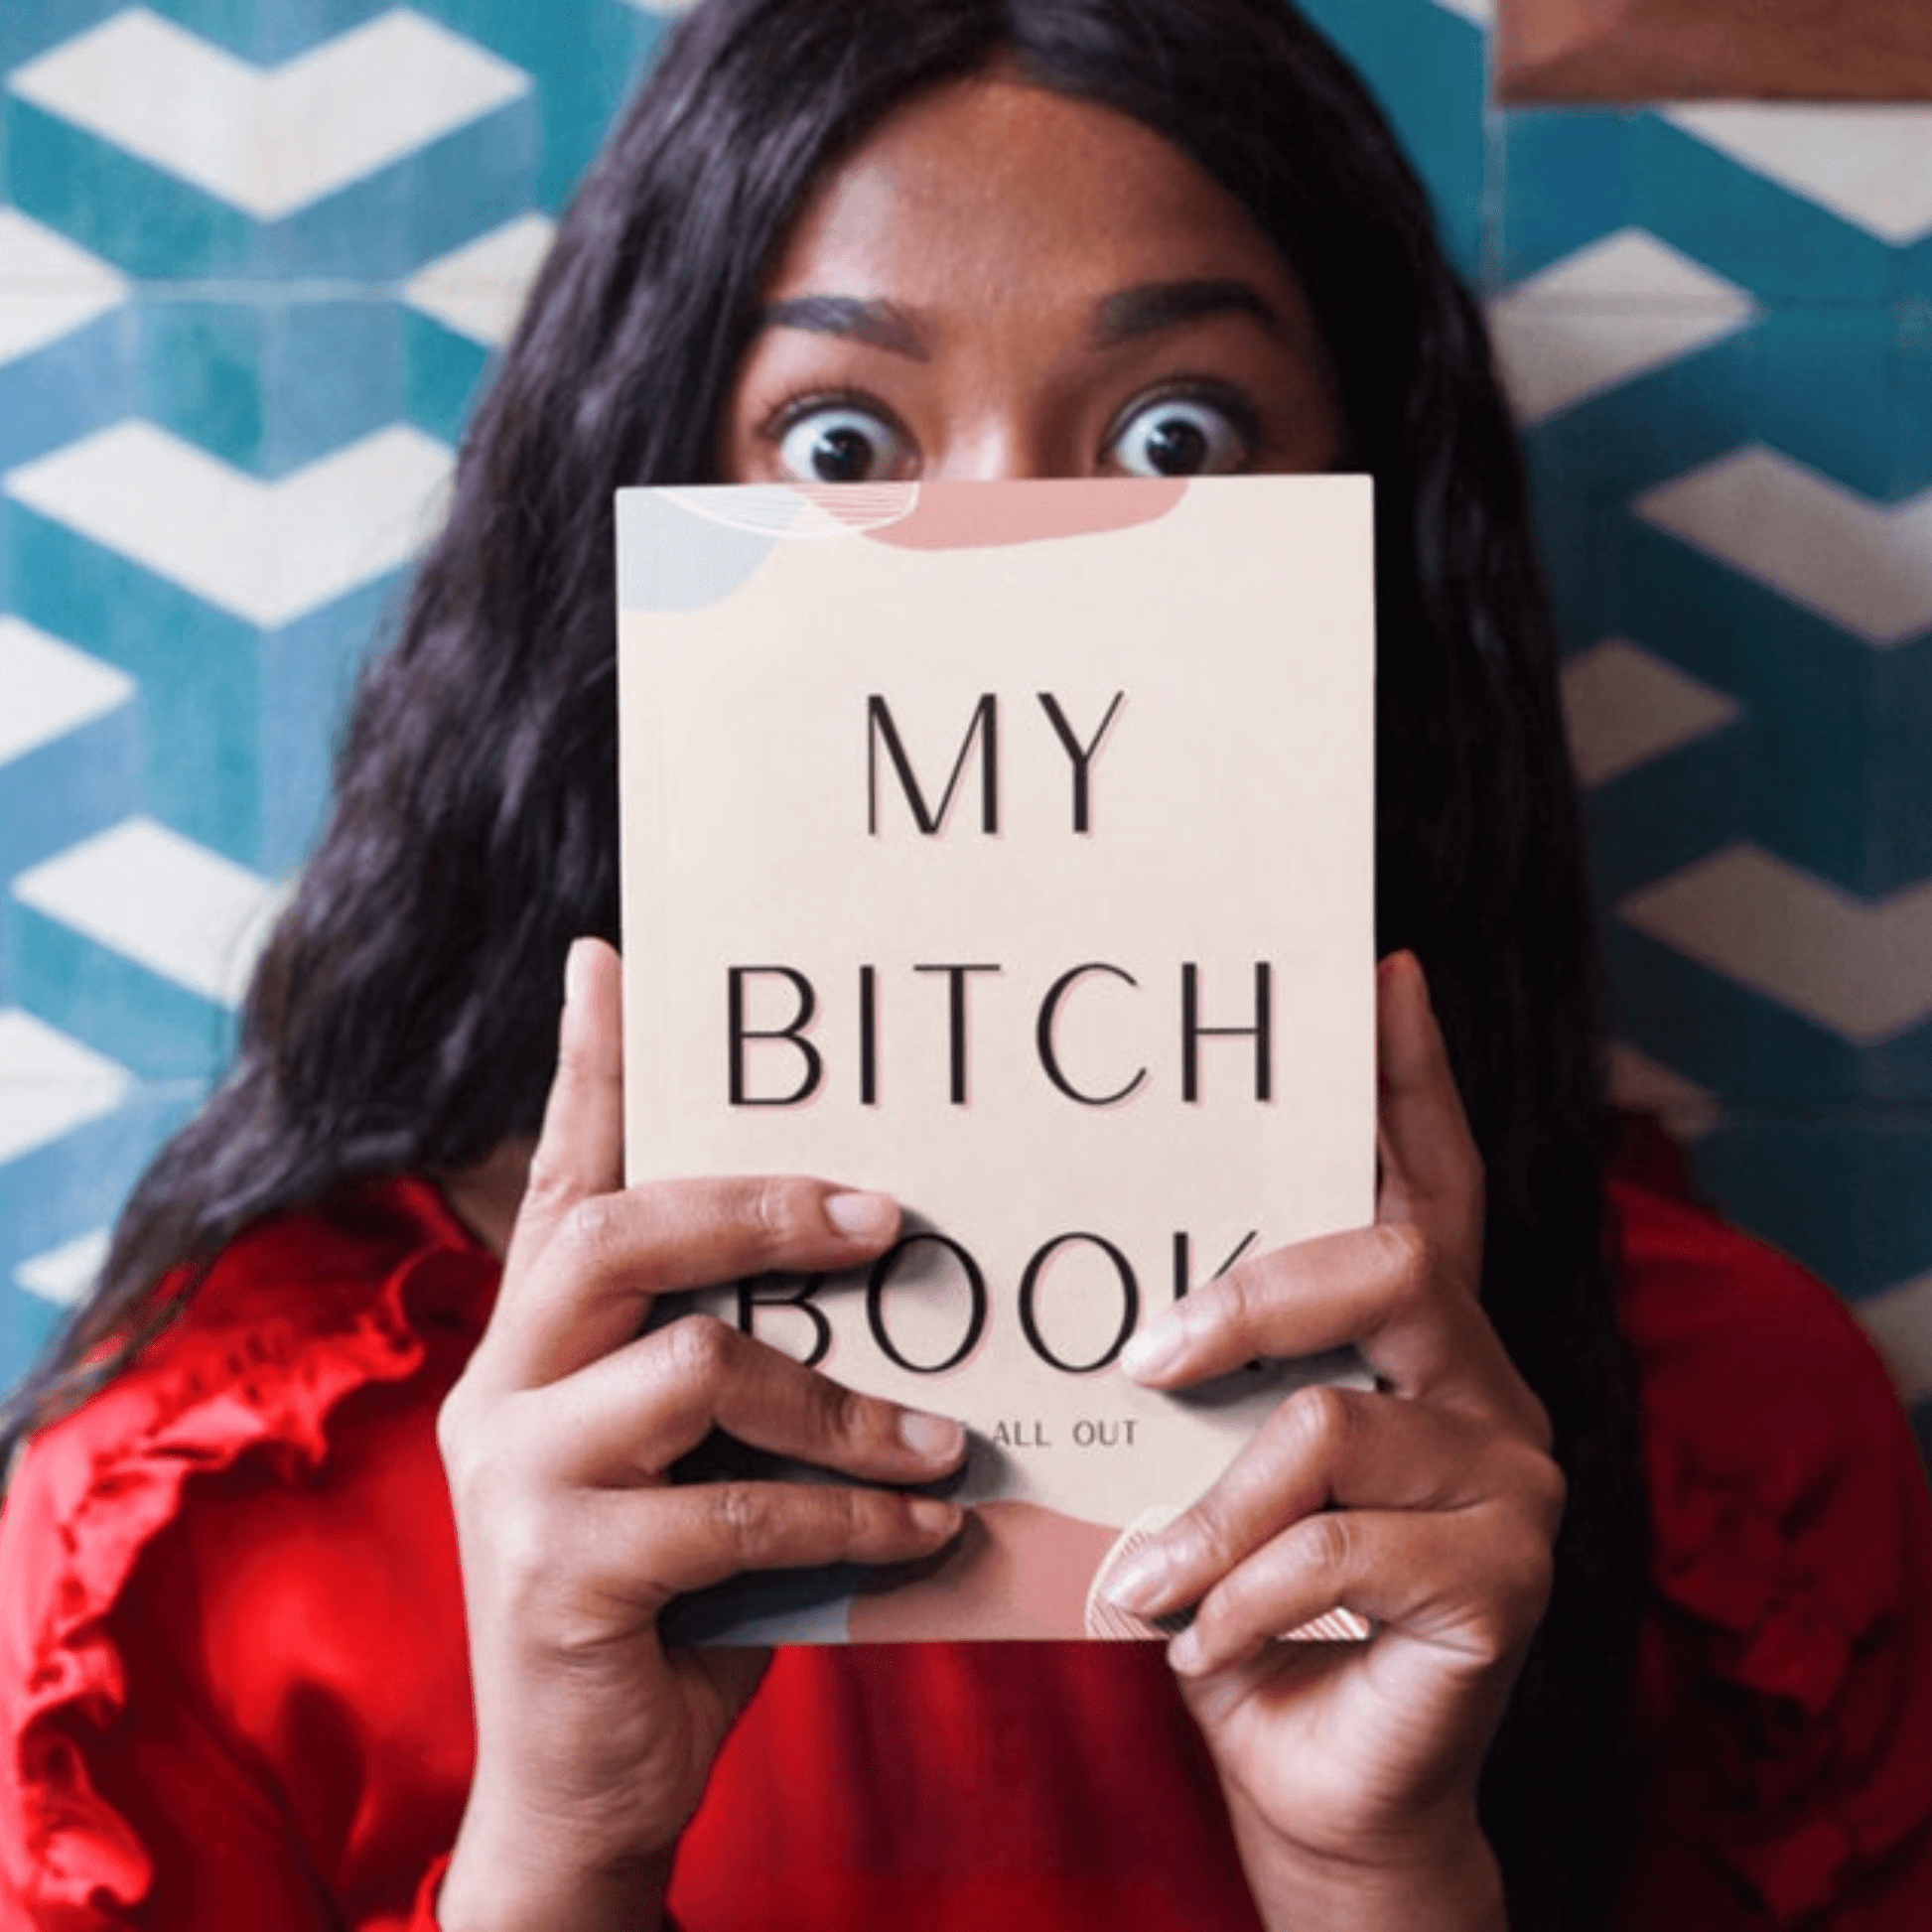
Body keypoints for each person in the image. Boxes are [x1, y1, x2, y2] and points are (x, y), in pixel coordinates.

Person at [3, 0, 1931, 1926]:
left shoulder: (1721, 1449)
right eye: (838, 438)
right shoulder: (216, 1513)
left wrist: (1384, 1876)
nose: (1005, 563)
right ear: (627, 528)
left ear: (1372, 556)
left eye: (1176, 430)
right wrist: (557, 1861)